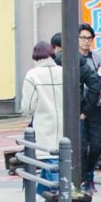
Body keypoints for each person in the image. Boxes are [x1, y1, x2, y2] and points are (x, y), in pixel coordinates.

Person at [20, 40, 64, 192]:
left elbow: (28, 106)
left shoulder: (32, 76)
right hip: (64, 125)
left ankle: (58, 199)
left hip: (44, 125)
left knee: (51, 162)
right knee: (55, 159)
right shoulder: (62, 72)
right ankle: (42, 195)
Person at [78, 27, 101, 194]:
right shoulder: (72, 58)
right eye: (83, 37)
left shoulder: (97, 58)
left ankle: (89, 175)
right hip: (78, 106)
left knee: (96, 145)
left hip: (94, 107)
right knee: (80, 146)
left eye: (89, 38)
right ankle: (83, 178)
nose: (86, 41)